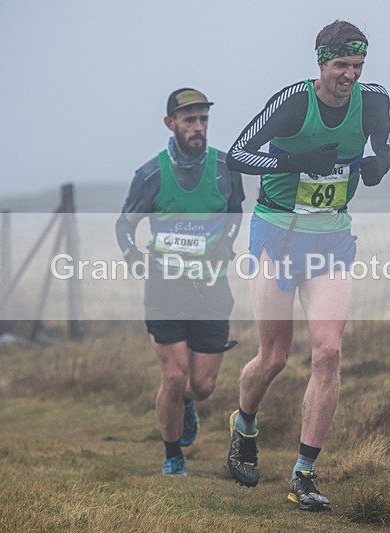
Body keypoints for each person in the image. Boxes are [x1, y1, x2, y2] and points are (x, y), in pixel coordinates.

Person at [223, 21, 390, 511]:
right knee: (274, 357)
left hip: (332, 239)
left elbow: (387, 136)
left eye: (358, 66)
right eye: (341, 65)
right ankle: (245, 424)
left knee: (328, 354)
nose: (350, 75)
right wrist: (296, 164)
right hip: (276, 235)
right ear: (321, 63)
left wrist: (382, 160)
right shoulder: (295, 102)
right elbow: (238, 155)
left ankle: (304, 473)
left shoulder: (374, 98)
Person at [116, 88, 245, 477]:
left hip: (210, 286)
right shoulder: (150, 175)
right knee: (173, 376)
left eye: (203, 119)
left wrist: (224, 244)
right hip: (164, 286)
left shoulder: (225, 168)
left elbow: (236, 213)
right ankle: (173, 455)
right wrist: (133, 257)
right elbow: (125, 225)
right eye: (190, 120)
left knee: (201, 386)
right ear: (170, 124)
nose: (198, 127)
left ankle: (188, 404)